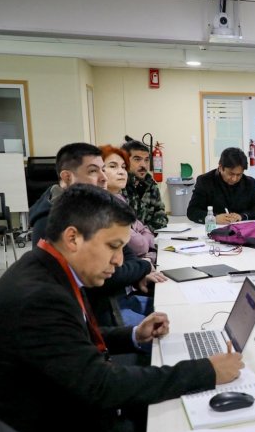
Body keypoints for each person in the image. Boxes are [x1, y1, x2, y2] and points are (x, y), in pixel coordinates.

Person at [0, 184, 245, 432]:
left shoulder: (45, 268)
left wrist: (132, 334)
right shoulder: (38, 298)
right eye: (113, 246)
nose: (119, 260)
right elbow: (103, 386)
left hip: (54, 413)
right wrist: (207, 371)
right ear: (73, 238)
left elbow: (72, 341)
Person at [29, 143, 165, 326]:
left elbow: (125, 252)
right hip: (100, 316)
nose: (103, 178)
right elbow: (106, 276)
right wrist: (144, 267)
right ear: (67, 177)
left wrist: (137, 270)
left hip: (113, 302)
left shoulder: (90, 207)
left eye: (103, 170)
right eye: (94, 171)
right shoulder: (53, 221)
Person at [101, 144, 156, 261]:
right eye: (113, 166)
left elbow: (144, 229)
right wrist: (144, 242)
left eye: (123, 167)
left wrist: (144, 239)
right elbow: (140, 246)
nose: (121, 172)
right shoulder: (102, 205)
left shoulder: (119, 198)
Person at [187, 146, 255, 224]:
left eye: (239, 175)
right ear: (220, 167)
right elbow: (192, 211)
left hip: (242, 230)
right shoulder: (205, 181)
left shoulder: (249, 182)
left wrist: (242, 216)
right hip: (214, 229)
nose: (234, 179)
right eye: (231, 174)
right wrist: (214, 218)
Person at [121, 137, 169, 230]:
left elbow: (161, 214)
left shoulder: (150, 184)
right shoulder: (119, 186)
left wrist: (147, 232)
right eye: (137, 159)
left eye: (146, 160)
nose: (143, 165)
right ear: (125, 161)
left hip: (148, 239)